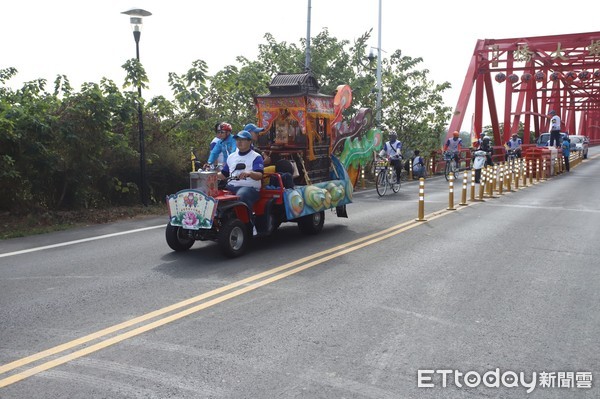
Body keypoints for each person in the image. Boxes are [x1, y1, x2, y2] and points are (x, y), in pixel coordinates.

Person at [217, 130, 264, 214]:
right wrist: (211, 174)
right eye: (237, 139)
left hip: (249, 188)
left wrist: (250, 173)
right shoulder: (231, 157)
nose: (239, 142)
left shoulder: (256, 157)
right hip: (231, 186)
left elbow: (259, 175)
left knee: (241, 195)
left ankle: (248, 224)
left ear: (249, 141)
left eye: (242, 140)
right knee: (214, 195)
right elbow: (224, 174)